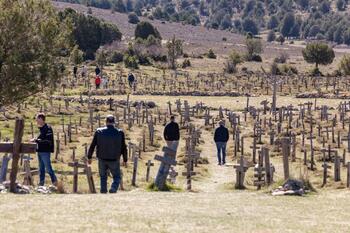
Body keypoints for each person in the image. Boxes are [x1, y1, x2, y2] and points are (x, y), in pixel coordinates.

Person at [88, 115, 128, 193]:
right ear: (114, 123)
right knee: (117, 176)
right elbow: (124, 147)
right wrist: (125, 159)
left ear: (106, 122)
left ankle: (103, 191)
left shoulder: (99, 131)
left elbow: (93, 145)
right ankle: (113, 188)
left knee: (103, 177)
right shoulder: (120, 132)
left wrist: (89, 157)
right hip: (114, 159)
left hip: (102, 158)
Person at [31, 113, 57, 186]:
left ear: (41, 119)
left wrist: (36, 140)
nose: (36, 120)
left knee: (48, 169)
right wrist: (37, 140)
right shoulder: (42, 129)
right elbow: (42, 139)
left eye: (37, 119)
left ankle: (55, 184)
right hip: (40, 151)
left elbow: (48, 141)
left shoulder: (48, 128)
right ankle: (41, 185)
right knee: (41, 169)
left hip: (45, 151)